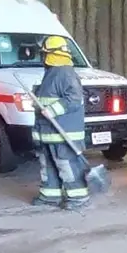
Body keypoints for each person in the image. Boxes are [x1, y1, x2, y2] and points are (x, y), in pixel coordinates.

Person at [31, 35, 90, 210]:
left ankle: (78, 197)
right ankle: (50, 195)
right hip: (48, 132)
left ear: (49, 54)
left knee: (67, 166)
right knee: (48, 166)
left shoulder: (65, 72)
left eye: (43, 54)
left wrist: (53, 110)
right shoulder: (51, 73)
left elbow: (74, 98)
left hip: (63, 132)